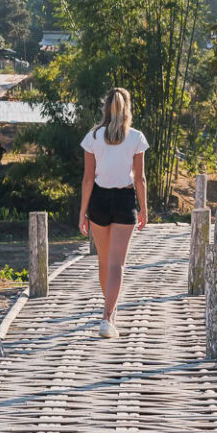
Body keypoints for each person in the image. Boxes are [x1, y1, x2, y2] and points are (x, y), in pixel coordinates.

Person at [79, 87, 149, 338]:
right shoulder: (136, 138)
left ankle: (109, 310)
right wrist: (144, 208)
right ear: (127, 108)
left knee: (104, 261)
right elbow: (139, 179)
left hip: (98, 200)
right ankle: (108, 316)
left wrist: (82, 212)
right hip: (124, 200)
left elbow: (87, 180)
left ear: (105, 107)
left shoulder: (93, 137)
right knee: (117, 264)